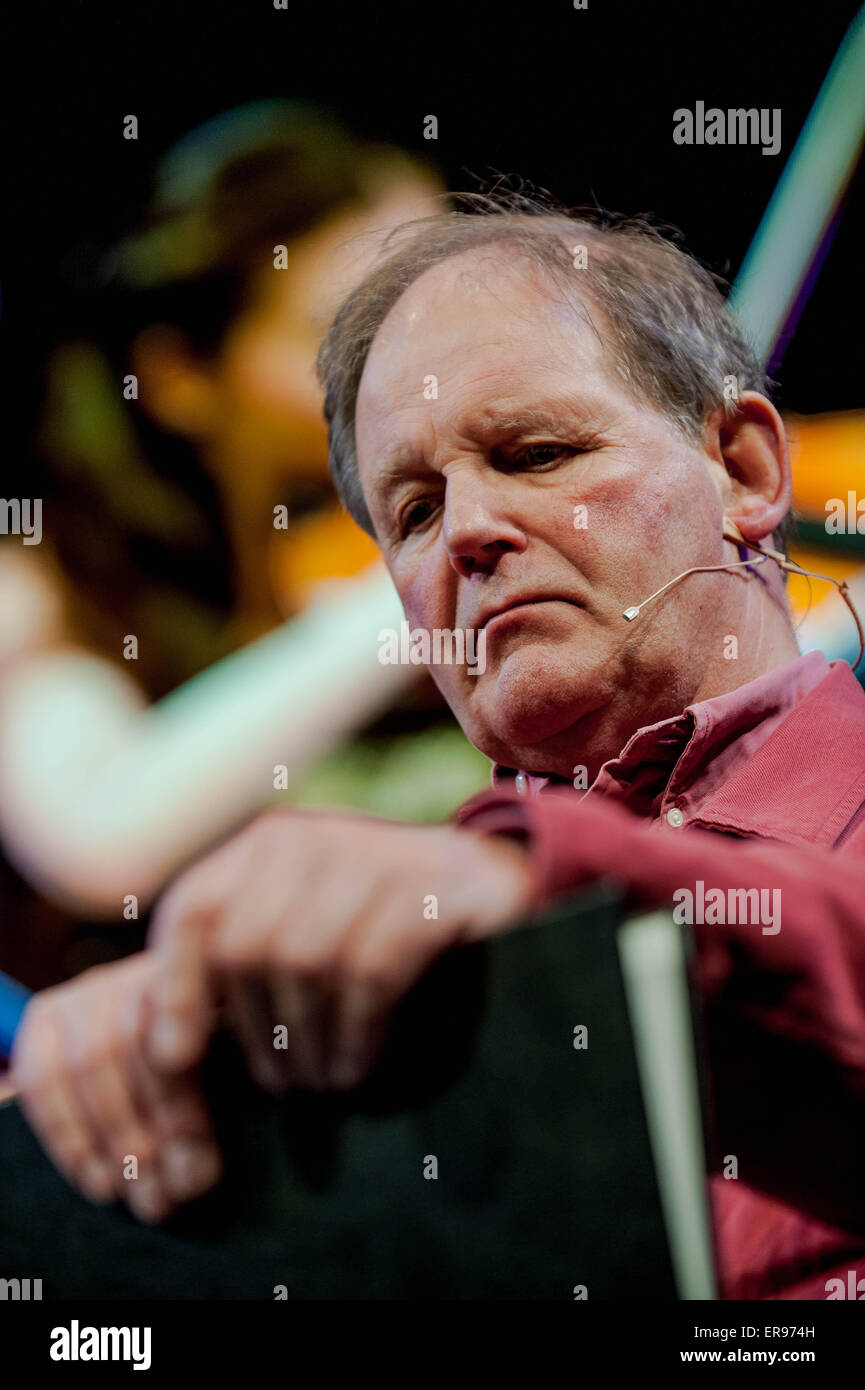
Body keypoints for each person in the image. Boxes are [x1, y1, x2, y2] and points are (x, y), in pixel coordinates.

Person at [10, 193, 865, 1300]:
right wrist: (142, 1100)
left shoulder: (489, 882)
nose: (465, 531)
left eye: (538, 450)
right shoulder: (379, 959)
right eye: (410, 511)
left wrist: (555, 889)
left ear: (745, 472)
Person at [0, 101, 446, 987]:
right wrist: (407, 599)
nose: (422, 374)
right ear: (182, 378)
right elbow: (103, 834)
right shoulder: (53, 588)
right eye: (340, 334)